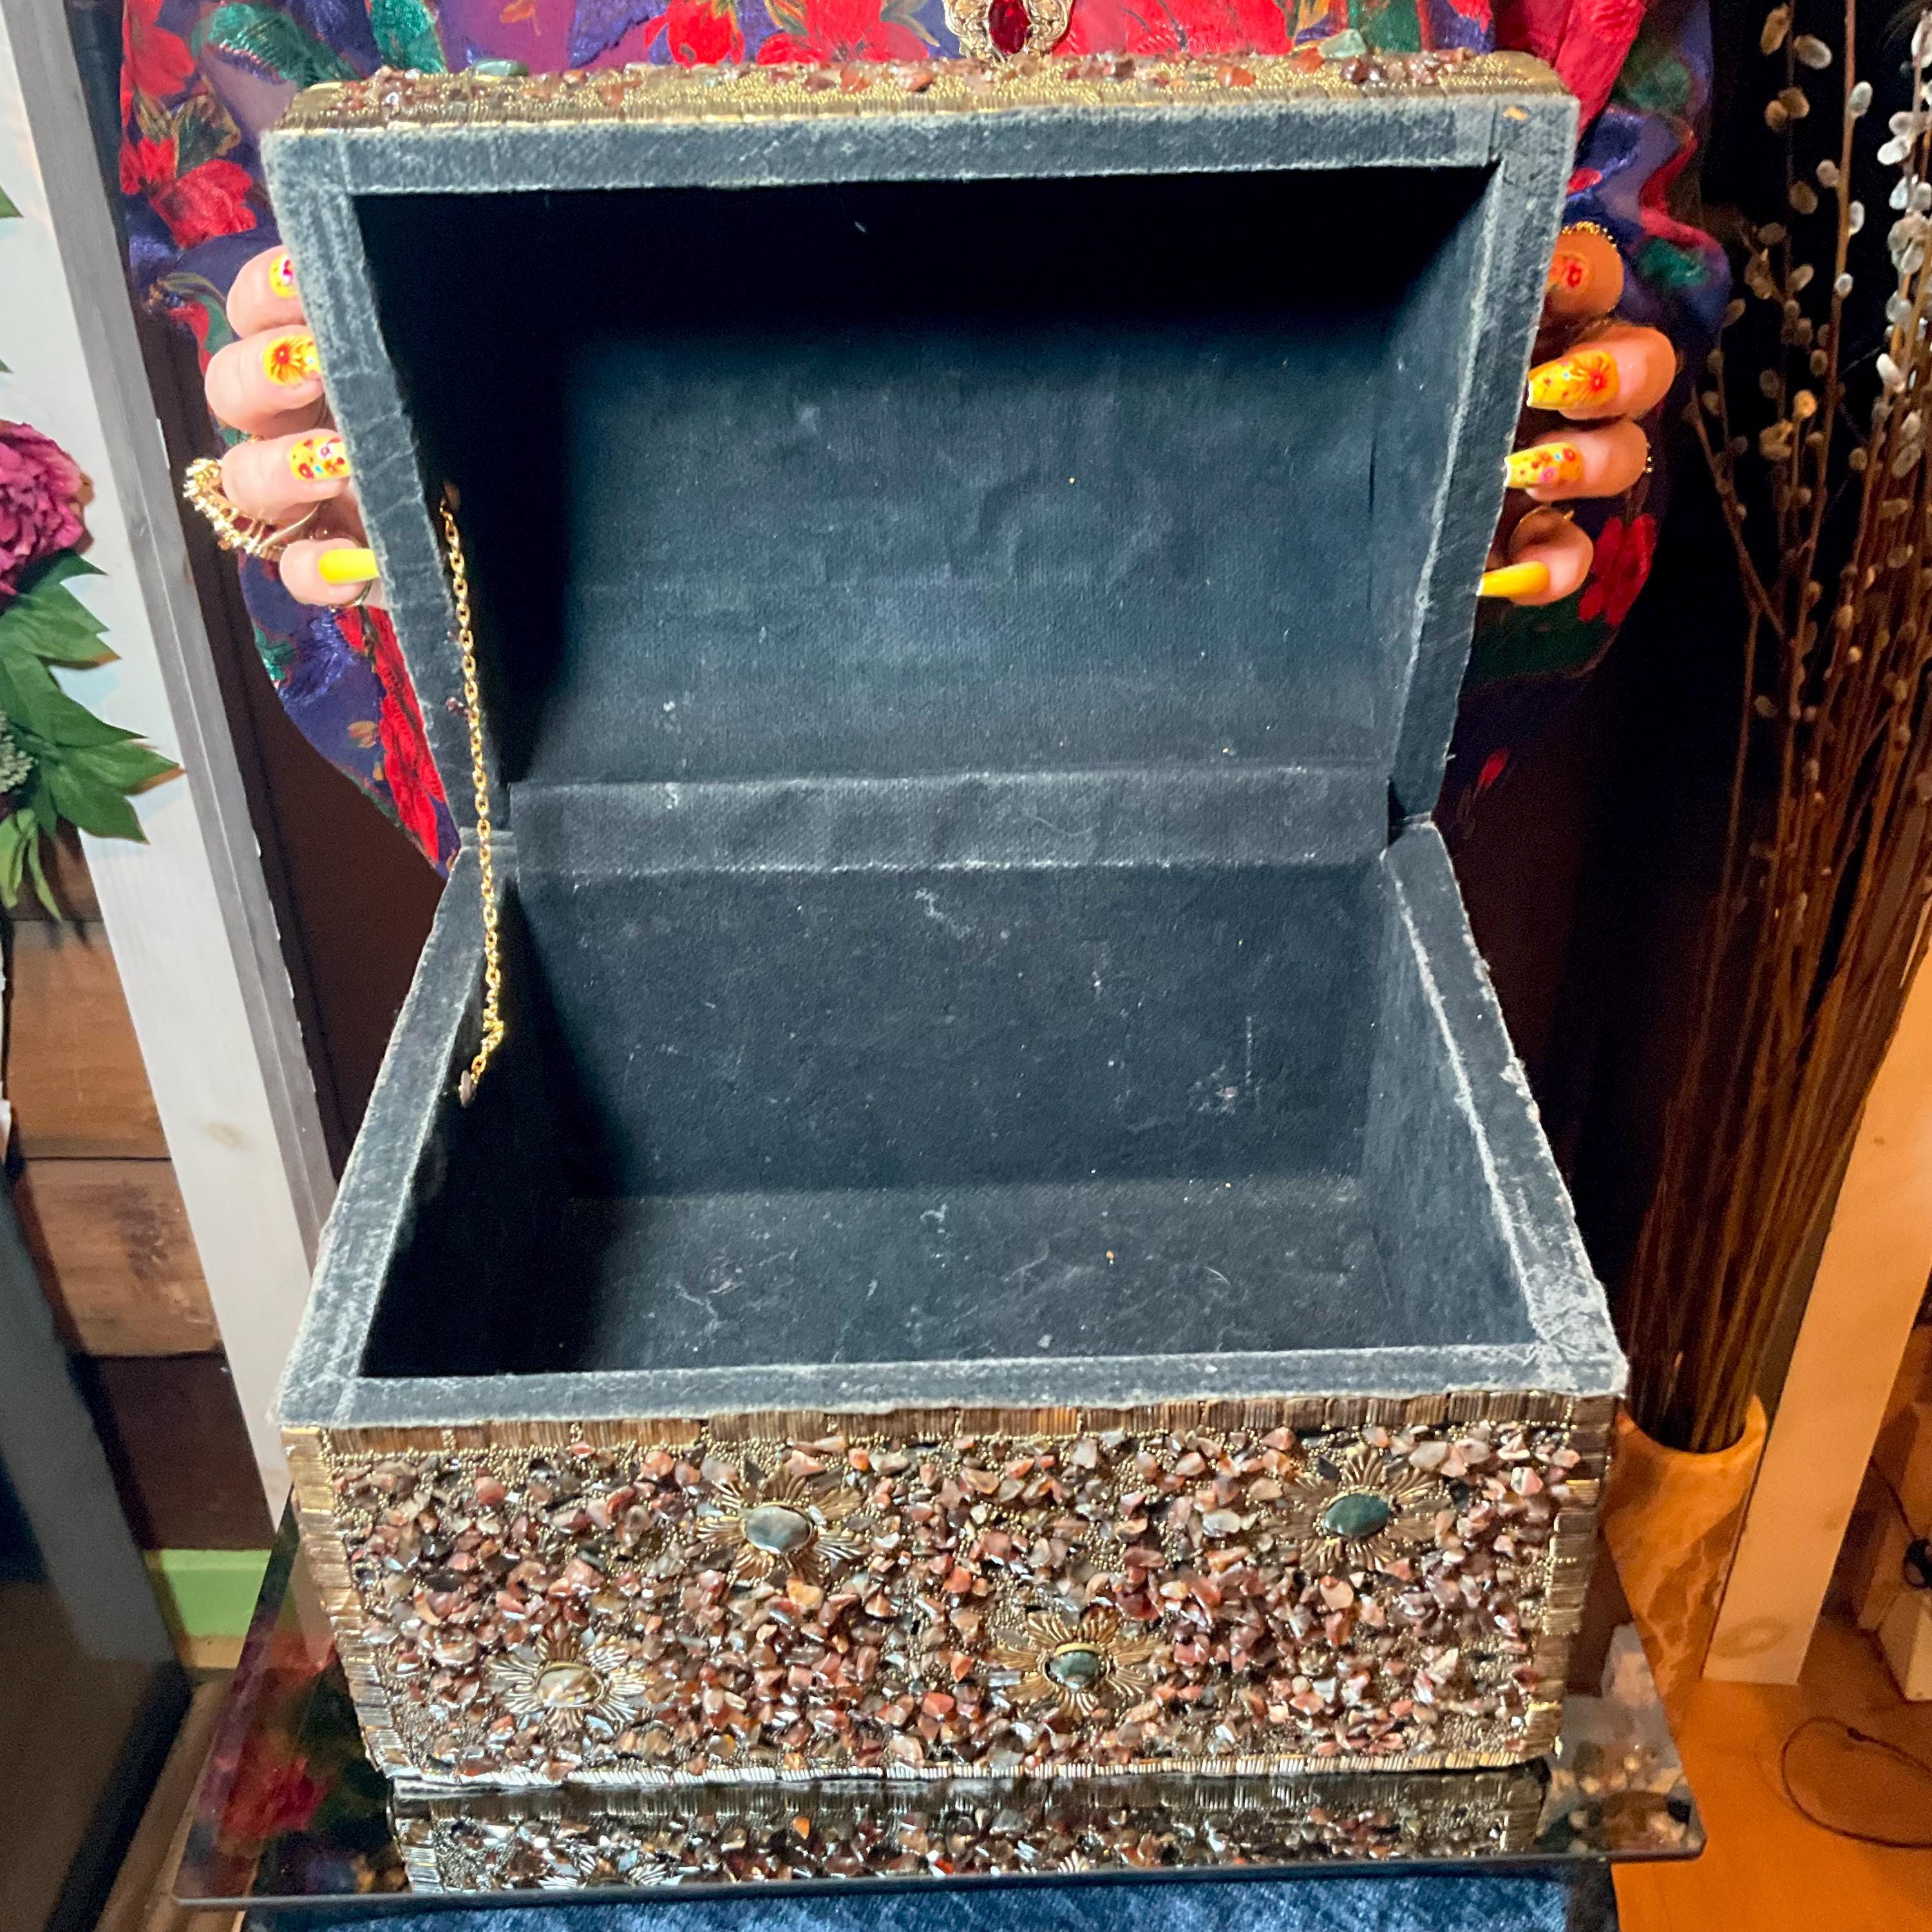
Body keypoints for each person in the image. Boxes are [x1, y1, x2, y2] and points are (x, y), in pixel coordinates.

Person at [129, 0, 1716, 867]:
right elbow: (242, 200)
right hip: (620, 783)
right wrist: (315, 390)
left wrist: (1549, 365)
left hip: (1280, 773)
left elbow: (1613, 214)